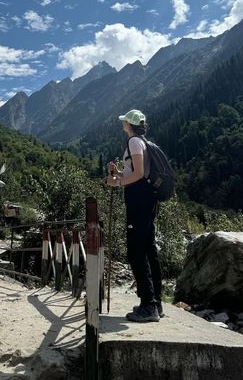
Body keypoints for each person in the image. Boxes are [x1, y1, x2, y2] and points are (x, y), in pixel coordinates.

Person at [107, 109, 163, 323]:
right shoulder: (142, 142)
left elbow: (138, 174)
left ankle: (148, 306)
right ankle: (156, 302)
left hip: (138, 201)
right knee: (149, 249)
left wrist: (117, 181)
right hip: (148, 200)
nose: (123, 125)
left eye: (124, 123)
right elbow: (138, 173)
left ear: (128, 125)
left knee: (136, 251)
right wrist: (120, 173)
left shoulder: (133, 142)